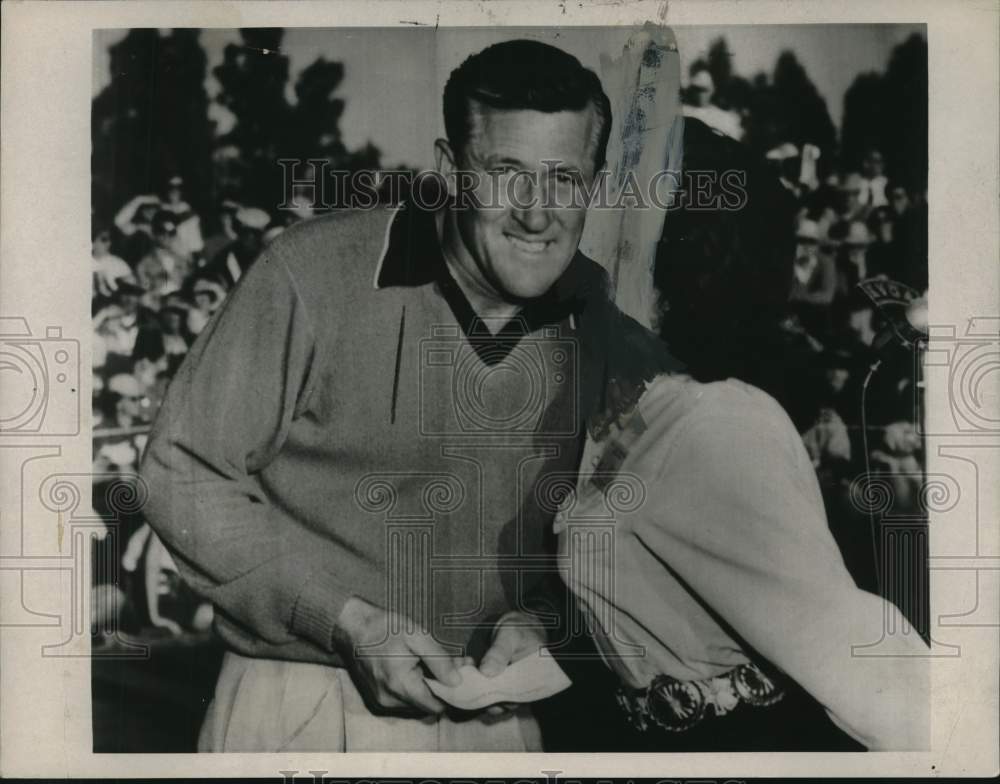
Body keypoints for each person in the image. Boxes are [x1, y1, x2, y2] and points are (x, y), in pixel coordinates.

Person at [141, 39, 655, 752]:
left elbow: (617, 525)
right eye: (505, 172)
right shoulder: (313, 271)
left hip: (498, 713)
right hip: (307, 700)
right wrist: (343, 619)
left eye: (564, 178)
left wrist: (546, 617)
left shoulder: (600, 317)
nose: (536, 213)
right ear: (449, 170)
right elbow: (181, 474)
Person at [545, 117, 929, 751]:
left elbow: (875, 671)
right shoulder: (638, 405)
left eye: (613, 228)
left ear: (676, 257)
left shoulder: (715, 424)